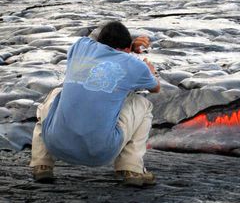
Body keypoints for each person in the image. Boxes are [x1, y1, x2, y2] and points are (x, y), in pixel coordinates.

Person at [30, 21, 160, 187]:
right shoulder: (135, 65)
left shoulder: (79, 46)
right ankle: (132, 168)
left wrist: (129, 46)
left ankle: (42, 164)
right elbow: (156, 88)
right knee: (143, 104)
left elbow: (96, 35)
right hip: (100, 153)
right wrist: (150, 71)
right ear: (127, 49)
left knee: (56, 94)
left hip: (56, 145)